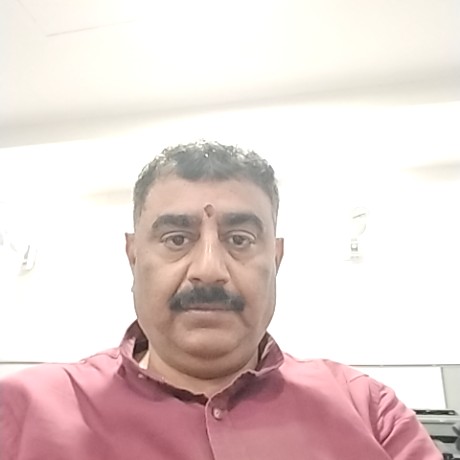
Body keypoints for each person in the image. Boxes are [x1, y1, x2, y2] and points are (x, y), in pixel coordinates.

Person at [0, 141, 442, 460]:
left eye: (240, 239)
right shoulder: (19, 413)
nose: (209, 269)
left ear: (276, 258)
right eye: (177, 238)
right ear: (134, 256)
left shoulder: (370, 412)